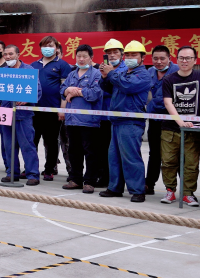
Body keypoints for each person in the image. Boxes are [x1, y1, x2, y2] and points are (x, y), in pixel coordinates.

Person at [159, 46, 200, 207]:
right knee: (168, 162)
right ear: (176, 59)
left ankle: (188, 194)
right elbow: (168, 102)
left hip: (192, 129)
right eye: (181, 58)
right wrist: (180, 121)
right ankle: (170, 191)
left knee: (191, 163)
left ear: (195, 60)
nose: (184, 61)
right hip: (170, 129)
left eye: (188, 58)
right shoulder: (169, 79)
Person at [100, 40, 152, 202]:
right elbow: (110, 88)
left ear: (142, 57)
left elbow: (128, 87)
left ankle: (137, 190)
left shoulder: (144, 74)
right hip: (117, 119)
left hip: (131, 120)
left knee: (131, 156)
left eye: (134, 55)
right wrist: (104, 78)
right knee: (114, 156)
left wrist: (111, 74)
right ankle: (115, 187)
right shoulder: (123, 73)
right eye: (128, 55)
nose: (130, 57)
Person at [59, 44, 103, 192]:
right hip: (72, 120)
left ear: (91, 58)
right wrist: (67, 90)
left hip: (89, 121)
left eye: (85, 56)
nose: (82, 59)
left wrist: (75, 92)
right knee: (74, 151)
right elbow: (62, 90)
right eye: (79, 56)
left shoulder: (96, 74)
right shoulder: (72, 74)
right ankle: (75, 179)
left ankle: (90, 181)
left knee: (90, 152)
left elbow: (95, 94)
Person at [0, 45, 40, 185]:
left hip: (23, 115)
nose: (8, 57)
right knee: (8, 145)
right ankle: (12, 173)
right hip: (6, 112)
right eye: (5, 54)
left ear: (18, 55)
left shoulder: (28, 70)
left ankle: (32, 175)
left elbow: (37, 91)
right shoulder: (2, 72)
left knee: (27, 145)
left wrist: (27, 99)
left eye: (11, 54)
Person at [31, 36, 72, 182]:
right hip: (34, 110)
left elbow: (64, 89)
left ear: (56, 48)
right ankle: (31, 168)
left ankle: (49, 169)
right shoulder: (33, 65)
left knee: (51, 141)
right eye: (44, 45)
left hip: (52, 110)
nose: (47, 48)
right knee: (32, 140)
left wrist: (62, 109)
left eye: (51, 45)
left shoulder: (62, 65)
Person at [95, 40, 125, 189]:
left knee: (120, 152)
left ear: (122, 54)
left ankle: (118, 181)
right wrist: (104, 76)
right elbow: (104, 88)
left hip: (119, 116)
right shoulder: (105, 69)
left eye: (115, 52)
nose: (112, 55)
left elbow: (117, 89)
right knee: (103, 149)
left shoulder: (126, 69)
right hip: (103, 115)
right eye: (109, 53)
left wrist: (110, 74)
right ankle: (105, 177)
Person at [144, 45, 172, 194]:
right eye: (155, 58)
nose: (159, 61)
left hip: (172, 121)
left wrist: (153, 103)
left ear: (169, 58)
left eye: (162, 58)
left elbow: (162, 99)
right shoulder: (149, 72)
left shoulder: (175, 72)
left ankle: (176, 188)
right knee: (154, 153)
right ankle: (149, 184)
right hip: (154, 120)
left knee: (172, 155)